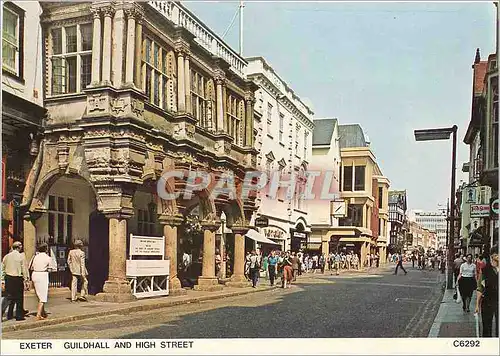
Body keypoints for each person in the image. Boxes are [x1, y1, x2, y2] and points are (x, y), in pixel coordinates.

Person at [1, 241, 29, 321]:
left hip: (8, 278)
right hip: (17, 278)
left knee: (8, 297)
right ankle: (19, 315)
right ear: (19, 247)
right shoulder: (21, 257)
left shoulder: (6, 256)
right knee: (19, 298)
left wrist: (3, 280)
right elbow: (24, 269)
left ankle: (5, 313)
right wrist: (26, 280)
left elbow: (2, 269)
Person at [475, 245, 498, 337]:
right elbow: (480, 288)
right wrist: (477, 305)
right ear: (493, 256)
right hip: (487, 301)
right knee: (486, 328)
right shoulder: (485, 270)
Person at [29, 243, 57, 320]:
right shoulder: (48, 258)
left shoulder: (35, 256)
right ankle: (38, 315)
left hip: (34, 274)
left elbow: (30, 267)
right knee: (43, 295)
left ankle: (43, 312)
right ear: (46, 249)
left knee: (38, 294)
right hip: (42, 275)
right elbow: (52, 268)